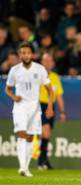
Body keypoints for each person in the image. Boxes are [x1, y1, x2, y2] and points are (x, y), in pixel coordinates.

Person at [5, 42, 54, 176]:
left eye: (28, 53)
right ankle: (21, 167)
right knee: (22, 134)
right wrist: (14, 97)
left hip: (35, 108)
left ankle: (25, 168)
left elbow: (50, 90)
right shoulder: (14, 70)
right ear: (20, 55)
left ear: (32, 54)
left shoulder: (40, 69)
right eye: (23, 53)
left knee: (30, 137)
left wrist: (49, 107)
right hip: (20, 107)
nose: (25, 55)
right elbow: (7, 89)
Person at [38, 53, 66, 169]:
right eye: (45, 61)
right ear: (41, 62)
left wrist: (62, 111)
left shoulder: (54, 77)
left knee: (47, 134)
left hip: (51, 106)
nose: (47, 63)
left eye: (50, 61)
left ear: (53, 63)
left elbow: (58, 95)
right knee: (45, 131)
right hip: (39, 105)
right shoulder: (37, 75)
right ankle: (41, 161)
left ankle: (43, 159)